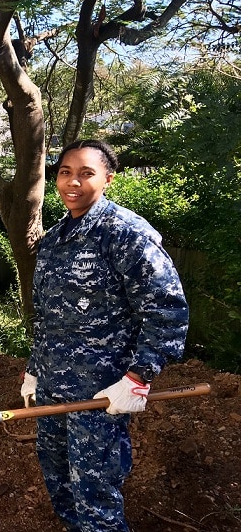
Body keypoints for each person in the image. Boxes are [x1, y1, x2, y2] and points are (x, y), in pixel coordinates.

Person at [20, 139, 188, 531]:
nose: (72, 182)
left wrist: (139, 377)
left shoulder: (125, 233)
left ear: (107, 179)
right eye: (65, 172)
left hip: (101, 396)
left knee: (97, 503)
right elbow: (46, 316)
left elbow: (166, 308)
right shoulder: (55, 239)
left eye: (85, 173)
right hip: (52, 390)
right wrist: (34, 369)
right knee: (60, 487)